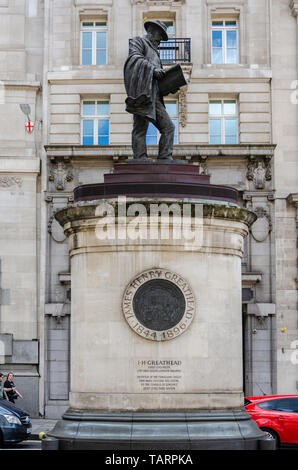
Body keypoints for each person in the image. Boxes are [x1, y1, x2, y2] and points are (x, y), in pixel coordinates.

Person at [124, 20, 178, 161]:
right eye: (160, 35)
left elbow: (157, 79)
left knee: (169, 127)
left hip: (155, 96)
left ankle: (165, 158)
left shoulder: (156, 53)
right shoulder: (138, 42)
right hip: (142, 93)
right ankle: (140, 157)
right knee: (140, 128)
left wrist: (169, 85)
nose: (161, 40)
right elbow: (134, 59)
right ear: (152, 31)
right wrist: (153, 69)